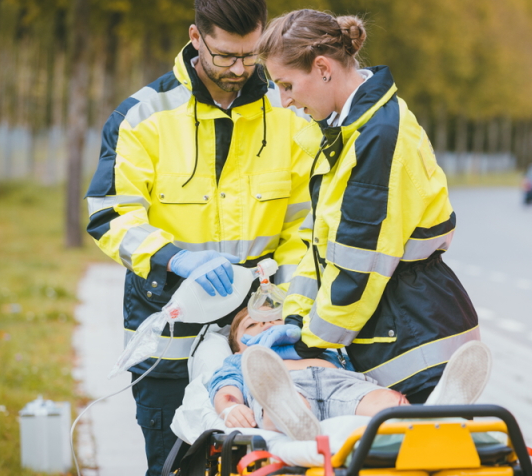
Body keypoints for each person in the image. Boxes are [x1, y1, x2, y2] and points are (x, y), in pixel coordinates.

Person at [83, 0, 311, 472]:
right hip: (169, 326)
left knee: (268, 463)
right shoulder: (142, 115)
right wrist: (174, 258)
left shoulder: (290, 112)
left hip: (259, 330)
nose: (240, 69)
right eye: (225, 55)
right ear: (195, 38)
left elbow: (305, 226)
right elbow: (110, 214)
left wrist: (282, 299)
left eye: (251, 55)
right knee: (173, 464)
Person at [252, 10, 481, 403]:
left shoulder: (377, 137)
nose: (285, 101)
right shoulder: (349, 131)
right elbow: (323, 248)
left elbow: (359, 267)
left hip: (415, 346)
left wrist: (309, 342)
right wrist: (294, 318)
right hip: (398, 332)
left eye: (287, 85)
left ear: (323, 68)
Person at [208, 309, 492, 440]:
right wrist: (231, 407)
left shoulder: (321, 349)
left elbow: (352, 370)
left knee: (385, 402)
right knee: (281, 403)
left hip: (340, 384)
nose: (268, 324)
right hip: (282, 388)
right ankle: (292, 418)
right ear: (236, 343)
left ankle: (434, 414)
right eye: (253, 325)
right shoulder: (242, 360)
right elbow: (226, 389)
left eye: (275, 319)